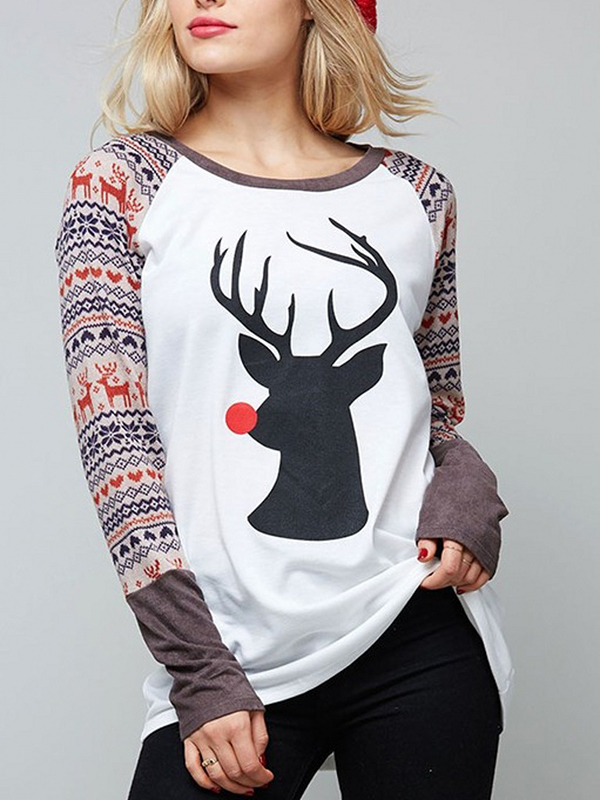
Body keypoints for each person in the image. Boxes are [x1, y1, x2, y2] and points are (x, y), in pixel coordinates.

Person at [54, 1, 515, 797]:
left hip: (412, 627)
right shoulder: (122, 183)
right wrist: (198, 668)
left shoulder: (416, 193)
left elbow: (435, 411)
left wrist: (468, 494)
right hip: (228, 652)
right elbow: (117, 445)